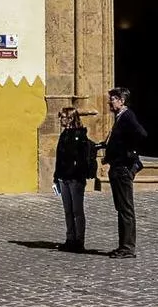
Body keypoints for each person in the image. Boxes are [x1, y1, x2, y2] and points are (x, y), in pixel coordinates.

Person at [100, 87, 147, 258]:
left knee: (126, 209)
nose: (109, 102)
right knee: (121, 208)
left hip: (123, 169)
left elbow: (141, 134)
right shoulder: (120, 117)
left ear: (122, 100)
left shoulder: (127, 117)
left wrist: (129, 154)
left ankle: (127, 248)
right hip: (117, 167)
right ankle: (123, 246)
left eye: (112, 99)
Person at [51, 107, 100, 252]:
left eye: (63, 117)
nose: (61, 119)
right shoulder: (64, 135)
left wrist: (77, 174)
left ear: (71, 118)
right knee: (68, 210)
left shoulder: (80, 135)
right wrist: (56, 176)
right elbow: (59, 158)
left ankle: (79, 240)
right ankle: (70, 238)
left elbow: (81, 159)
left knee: (77, 211)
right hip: (63, 178)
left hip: (75, 179)